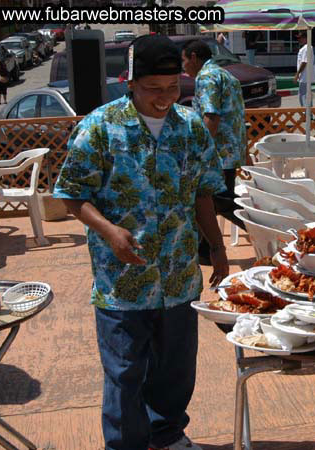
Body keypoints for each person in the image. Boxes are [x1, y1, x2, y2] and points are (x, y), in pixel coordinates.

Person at [53, 34, 228, 450]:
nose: (164, 98)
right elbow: (71, 194)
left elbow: (204, 193)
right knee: (125, 372)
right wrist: (110, 232)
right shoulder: (99, 127)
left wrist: (218, 249)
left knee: (175, 371)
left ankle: (167, 437)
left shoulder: (190, 129)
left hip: (179, 276)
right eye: (153, 89)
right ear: (130, 82)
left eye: (172, 88)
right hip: (123, 281)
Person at [182, 39, 248, 265]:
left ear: (193, 57)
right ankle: (203, 253)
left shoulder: (207, 77)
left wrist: (201, 152)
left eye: (184, 60)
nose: (183, 67)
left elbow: (211, 116)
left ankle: (265, 229)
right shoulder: (225, 74)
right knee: (210, 200)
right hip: (229, 151)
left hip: (217, 153)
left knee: (220, 201)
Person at [294, 31, 315, 108]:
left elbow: (304, 62)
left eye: (300, 38)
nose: (299, 40)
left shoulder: (307, 48)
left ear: (306, 38)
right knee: (307, 96)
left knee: (303, 96)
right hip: (305, 76)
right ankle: (309, 115)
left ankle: (306, 114)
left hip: (305, 77)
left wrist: (297, 74)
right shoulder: (306, 48)